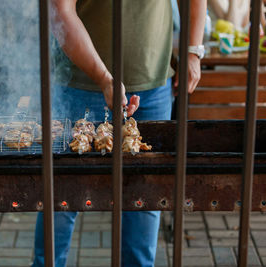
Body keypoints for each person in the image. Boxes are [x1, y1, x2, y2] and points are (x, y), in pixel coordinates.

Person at [33, 1, 206, 266]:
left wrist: (194, 51)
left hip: (154, 85)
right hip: (80, 84)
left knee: (144, 193)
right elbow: (60, 11)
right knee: (62, 194)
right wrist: (104, 78)